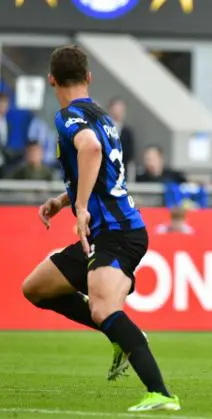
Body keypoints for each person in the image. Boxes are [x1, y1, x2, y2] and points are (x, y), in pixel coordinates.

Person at [19, 45, 180, 412]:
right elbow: (101, 171)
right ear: (89, 78)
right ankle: (118, 331)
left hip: (118, 233)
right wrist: (64, 201)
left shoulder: (68, 117)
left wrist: (78, 208)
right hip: (110, 230)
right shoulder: (103, 116)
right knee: (37, 289)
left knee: (103, 310)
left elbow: (89, 151)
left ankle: (160, 393)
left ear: (51, 81)